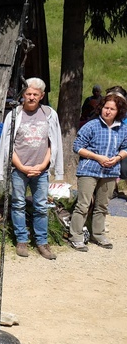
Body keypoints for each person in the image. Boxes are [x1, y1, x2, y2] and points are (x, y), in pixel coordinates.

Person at [0, 78, 63, 260]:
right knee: (18, 204)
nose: (31, 97)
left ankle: (42, 242)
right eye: (28, 94)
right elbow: (8, 145)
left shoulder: (49, 114)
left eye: (35, 94)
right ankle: (22, 240)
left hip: (40, 170)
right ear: (23, 96)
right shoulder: (14, 115)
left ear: (41, 96)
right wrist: (21, 166)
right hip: (19, 169)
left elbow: (53, 144)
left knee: (41, 206)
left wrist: (42, 166)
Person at [69, 92, 127, 252]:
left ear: (118, 111)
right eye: (106, 108)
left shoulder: (123, 128)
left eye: (112, 109)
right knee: (83, 204)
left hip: (110, 171)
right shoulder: (91, 125)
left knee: (102, 205)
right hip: (89, 169)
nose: (108, 111)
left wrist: (117, 158)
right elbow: (77, 146)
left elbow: (125, 147)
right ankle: (76, 236)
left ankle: (98, 234)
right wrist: (97, 157)